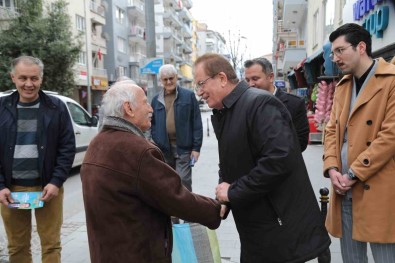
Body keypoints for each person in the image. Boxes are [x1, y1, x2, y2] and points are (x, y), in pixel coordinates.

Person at [194, 53, 330, 262]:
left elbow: (279, 159)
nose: (200, 92)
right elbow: (233, 162)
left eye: (201, 84)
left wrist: (233, 191)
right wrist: (225, 199)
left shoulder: (259, 104)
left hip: (277, 225)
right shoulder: (228, 110)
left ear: (222, 78)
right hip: (257, 224)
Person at [80, 81, 223, 262]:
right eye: (145, 103)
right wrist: (215, 210)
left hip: (106, 252)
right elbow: (175, 198)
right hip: (137, 252)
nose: (151, 109)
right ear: (128, 109)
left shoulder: (98, 142)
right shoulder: (137, 150)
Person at [323, 23, 395, 263]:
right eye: (333, 53)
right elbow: (331, 130)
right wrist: (332, 168)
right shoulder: (343, 86)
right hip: (343, 187)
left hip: (379, 188)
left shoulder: (391, 80)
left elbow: (390, 136)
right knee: (351, 258)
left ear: (361, 47)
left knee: (385, 257)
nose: (335, 58)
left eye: (340, 50)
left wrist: (353, 173)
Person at [0, 56, 76, 263]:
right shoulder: (1, 107)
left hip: (47, 188)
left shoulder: (56, 107)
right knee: (17, 247)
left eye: (34, 78)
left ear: (41, 78)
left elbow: (67, 147)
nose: (28, 84)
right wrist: (0, 186)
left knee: (51, 245)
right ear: (13, 77)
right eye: (23, 78)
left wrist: (56, 181)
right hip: (11, 189)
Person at [151, 64, 203, 191]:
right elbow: (151, 123)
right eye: (165, 79)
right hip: (164, 148)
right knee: (167, 182)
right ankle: (171, 210)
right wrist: (154, 140)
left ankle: (186, 209)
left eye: (171, 78)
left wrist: (196, 148)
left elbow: (196, 122)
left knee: (183, 181)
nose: (169, 82)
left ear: (176, 77)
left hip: (183, 147)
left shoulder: (188, 96)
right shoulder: (155, 100)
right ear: (161, 81)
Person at [244, 57, 309, 152]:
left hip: (283, 165)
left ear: (270, 77)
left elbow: (301, 143)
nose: (250, 84)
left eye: (255, 78)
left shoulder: (295, 104)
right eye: (247, 80)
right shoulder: (244, 104)